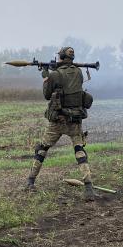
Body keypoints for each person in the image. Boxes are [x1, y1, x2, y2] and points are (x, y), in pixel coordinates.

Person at [26, 46, 96, 201]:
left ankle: (30, 182)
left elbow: (46, 94)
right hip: (75, 119)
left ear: (61, 57)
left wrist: (46, 75)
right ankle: (89, 188)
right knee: (80, 151)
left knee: (42, 149)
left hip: (58, 120)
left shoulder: (55, 74)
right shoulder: (78, 72)